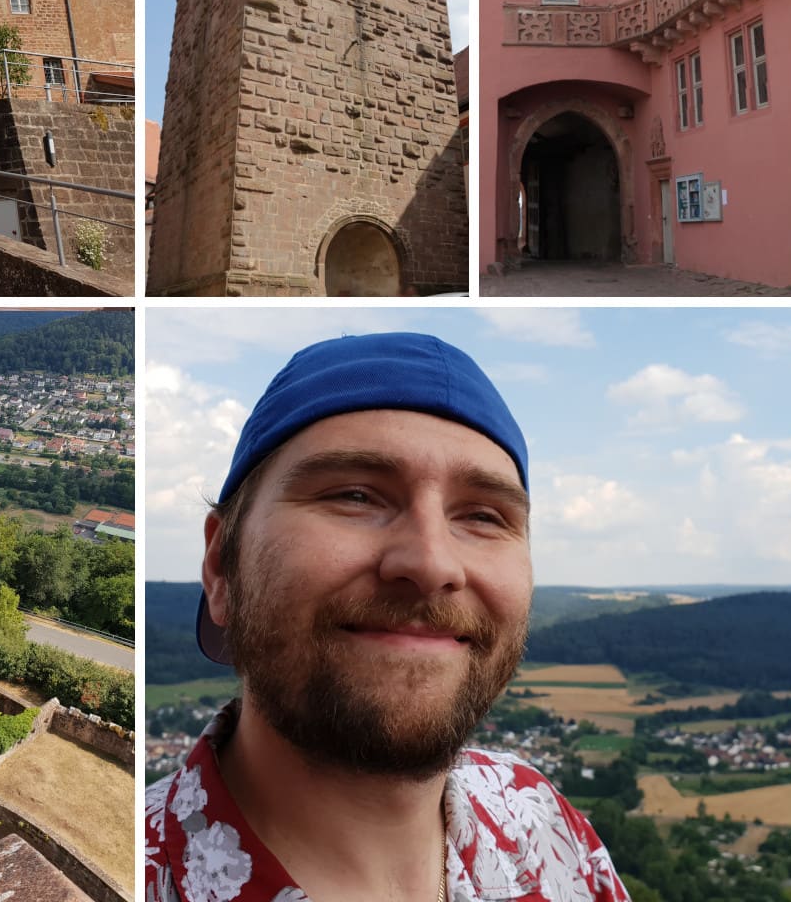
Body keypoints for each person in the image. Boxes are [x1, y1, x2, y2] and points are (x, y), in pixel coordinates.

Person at [145, 332, 630, 902]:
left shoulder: (542, 819)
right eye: (355, 495)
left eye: (482, 515)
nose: (431, 562)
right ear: (221, 565)